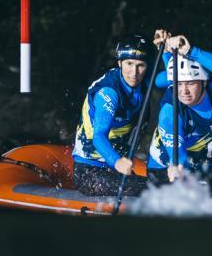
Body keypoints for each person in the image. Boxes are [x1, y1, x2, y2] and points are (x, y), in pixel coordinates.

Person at [147, 34, 212, 196]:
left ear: (204, 82)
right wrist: (177, 167)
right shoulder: (169, 112)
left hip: (205, 172)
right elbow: (179, 158)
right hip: (167, 173)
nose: (183, 91)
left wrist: (191, 51)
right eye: (178, 84)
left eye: (190, 83)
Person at [72, 32, 168, 196]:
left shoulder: (144, 80)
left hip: (116, 171)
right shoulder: (109, 93)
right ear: (120, 63)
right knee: (155, 191)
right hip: (89, 172)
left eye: (140, 65)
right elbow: (99, 136)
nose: (134, 72)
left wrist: (165, 51)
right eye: (129, 64)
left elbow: (173, 77)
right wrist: (116, 161)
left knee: (164, 185)